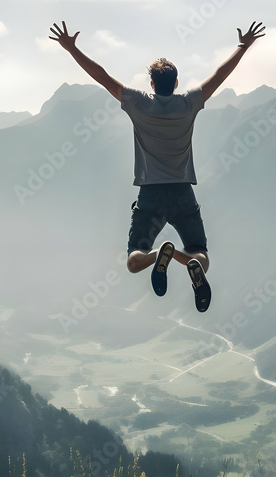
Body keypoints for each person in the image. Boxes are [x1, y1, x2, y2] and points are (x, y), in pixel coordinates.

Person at [49, 20, 265, 312]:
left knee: (133, 259)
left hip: (150, 194)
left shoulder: (138, 103)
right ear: (175, 83)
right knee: (200, 253)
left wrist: (71, 48)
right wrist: (243, 46)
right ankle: (177, 254)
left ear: (151, 83)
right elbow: (219, 75)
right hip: (182, 193)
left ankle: (155, 255)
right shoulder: (189, 103)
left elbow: (102, 77)